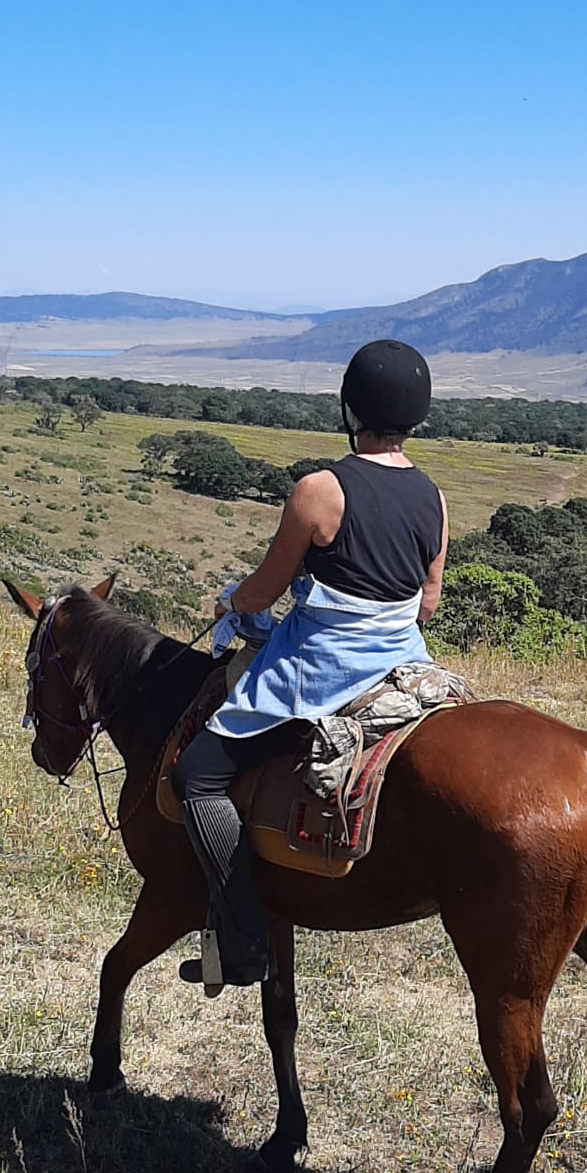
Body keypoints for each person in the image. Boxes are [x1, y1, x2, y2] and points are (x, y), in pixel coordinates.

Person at [172, 339, 449, 986]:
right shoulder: (434, 497)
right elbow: (427, 606)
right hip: (405, 666)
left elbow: (262, 595)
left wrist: (229, 605)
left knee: (198, 776)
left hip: (319, 670)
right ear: (419, 415)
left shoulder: (320, 490)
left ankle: (241, 945)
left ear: (349, 407)